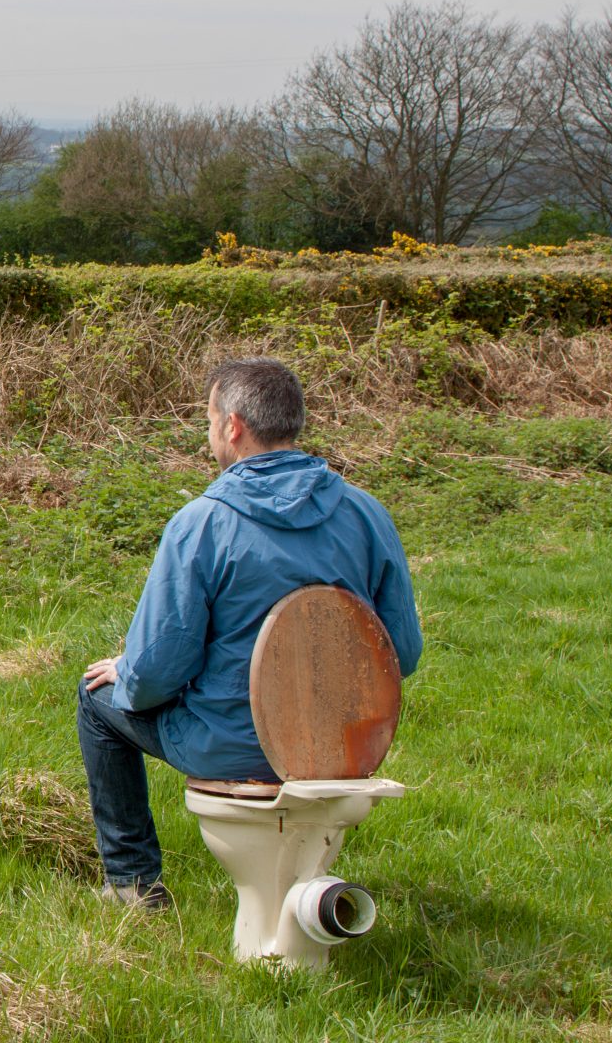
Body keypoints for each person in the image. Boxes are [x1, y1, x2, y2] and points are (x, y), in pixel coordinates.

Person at [75, 357, 422, 910]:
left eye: (208, 418)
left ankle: (131, 884)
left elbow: (154, 678)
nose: (209, 430)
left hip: (231, 747)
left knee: (97, 700)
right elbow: (399, 655)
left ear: (232, 425)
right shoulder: (367, 513)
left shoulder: (202, 523)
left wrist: (129, 670)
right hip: (343, 748)